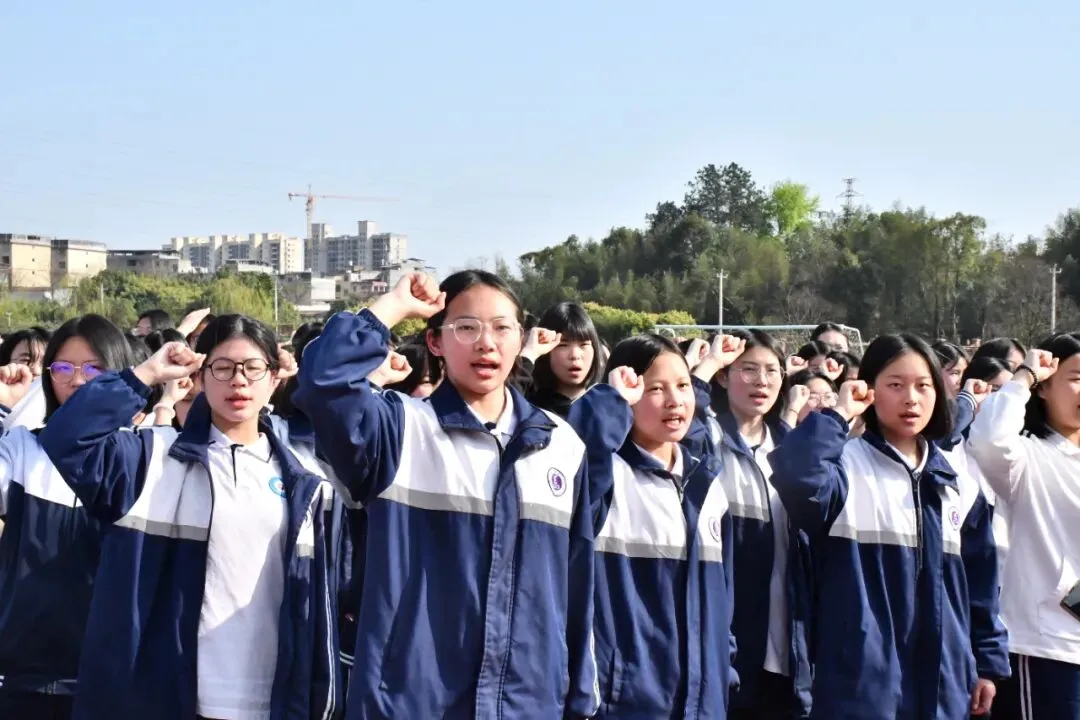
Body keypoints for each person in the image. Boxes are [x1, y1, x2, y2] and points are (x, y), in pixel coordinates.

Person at [294, 270, 600, 719]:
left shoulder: (561, 446)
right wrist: (393, 308)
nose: (486, 343)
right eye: (466, 327)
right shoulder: (401, 431)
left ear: (522, 340)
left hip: (527, 702)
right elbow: (324, 383)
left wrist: (578, 699)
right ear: (435, 342)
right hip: (410, 701)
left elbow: (576, 587)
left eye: (501, 328)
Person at [38, 315, 338, 720]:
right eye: (222, 368)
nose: (238, 381)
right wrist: (144, 374)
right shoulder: (152, 458)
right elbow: (66, 436)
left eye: (252, 368)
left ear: (274, 377)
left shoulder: (307, 476)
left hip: (275, 696)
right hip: (171, 695)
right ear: (200, 376)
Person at [769, 333, 1009, 719]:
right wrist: (837, 415)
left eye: (923, 385)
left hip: (943, 684)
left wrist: (987, 664)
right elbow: (797, 479)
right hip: (860, 684)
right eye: (895, 385)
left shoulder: (959, 484)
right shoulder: (844, 467)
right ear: (869, 390)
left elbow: (982, 584)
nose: (910, 398)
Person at [568, 334, 735, 717]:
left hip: (701, 703)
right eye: (654, 389)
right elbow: (581, 448)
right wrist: (610, 401)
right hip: (626, 704)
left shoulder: (707, 485)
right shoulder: (606, 477)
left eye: (683, 385)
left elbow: (723, 602)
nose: (675, 401)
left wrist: (723, 672)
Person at [0, 314, 136, 720]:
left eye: (94, 368)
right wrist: (17, 407)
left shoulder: (145, 455)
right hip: (30, 674)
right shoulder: (23, 450)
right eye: (63, 368)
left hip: (117, 672)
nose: (77, 381)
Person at [689, 332, 814, 718]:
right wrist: (706, 365)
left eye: (772, 371)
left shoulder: (789, 448)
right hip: (731, 639)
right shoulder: (706, 438)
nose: (762, 381)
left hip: (788, 646)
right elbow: (679, 415)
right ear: (724, 377)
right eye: (748, 369)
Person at [967, 336, 1080, 719]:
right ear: (1045, 387)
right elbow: (988, 440)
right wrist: (1023, 378)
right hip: (1047, 645)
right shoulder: (1028, 456)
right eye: (1077, 378)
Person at [521, 302, 604, 418]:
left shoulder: (606, 407)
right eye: (563, 345)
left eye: (584, 344)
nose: (575, 355)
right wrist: (530, 353)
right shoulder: (528, 408)